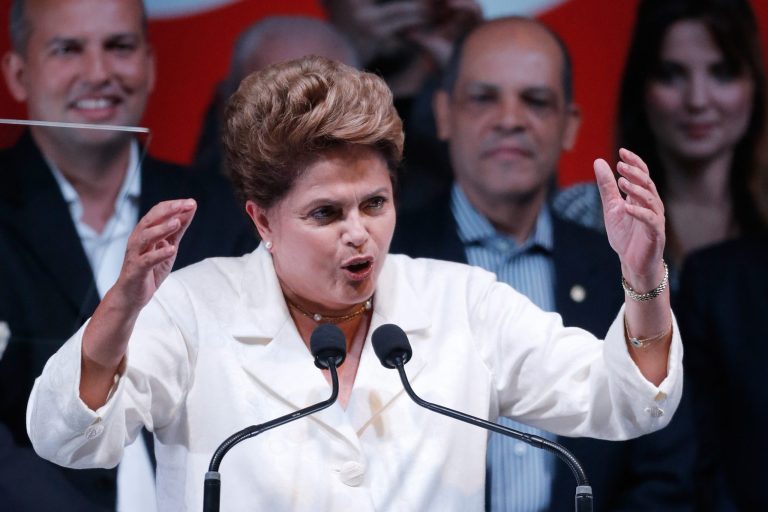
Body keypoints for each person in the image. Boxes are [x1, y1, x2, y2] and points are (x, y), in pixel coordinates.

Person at [27, 55, 681, 511]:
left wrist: (643, 278)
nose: (359, 233)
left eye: (374, 203)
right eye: (326, 213)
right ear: (262, 219)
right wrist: (120, 311)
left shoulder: (462, 303)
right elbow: (69, 438)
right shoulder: (195, 308)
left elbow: (624, 401)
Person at [391, 17, 695, 512]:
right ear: (444, 113)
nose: (510, 119)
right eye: (484, 98)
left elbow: (665, 466)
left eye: (535, 100)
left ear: (569, 124)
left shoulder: (626, 269)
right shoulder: (386, 261)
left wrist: (642, 278)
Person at [0, 0, 256, 510]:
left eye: (119, 47)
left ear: (150, 65)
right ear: (18, 73)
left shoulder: (225, 213)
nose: (98, 73)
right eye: (68, 49)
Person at [553, 0, 767, 291]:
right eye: (670, 74)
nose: (697, 100)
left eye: (722, 72)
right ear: (641, 87)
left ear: (754, 85)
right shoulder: (584, 213)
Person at [192, 15, 359, 174]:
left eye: (319, 105)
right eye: (271, 105)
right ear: (227, 111)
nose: (297, 130)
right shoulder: (186, 192)